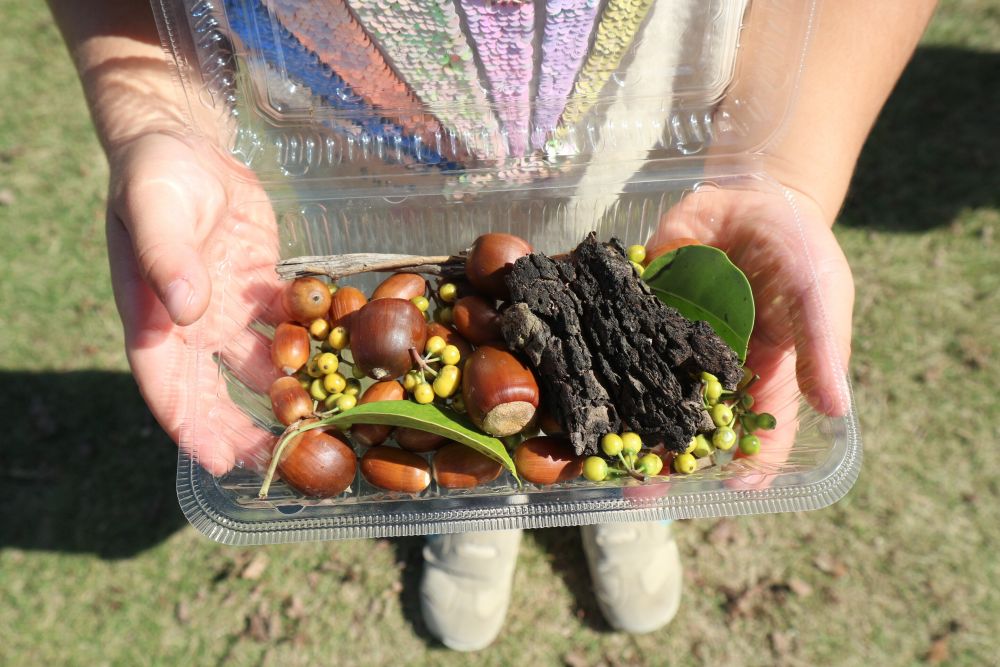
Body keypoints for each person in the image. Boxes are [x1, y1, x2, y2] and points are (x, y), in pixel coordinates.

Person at [49, 0, 938, 652]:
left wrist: (786, 166)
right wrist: (158, 117)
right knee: (476, 407)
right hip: (357, 157)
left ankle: (625, 477)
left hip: (651, 147)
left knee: (632, 341)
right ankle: (471, 493)